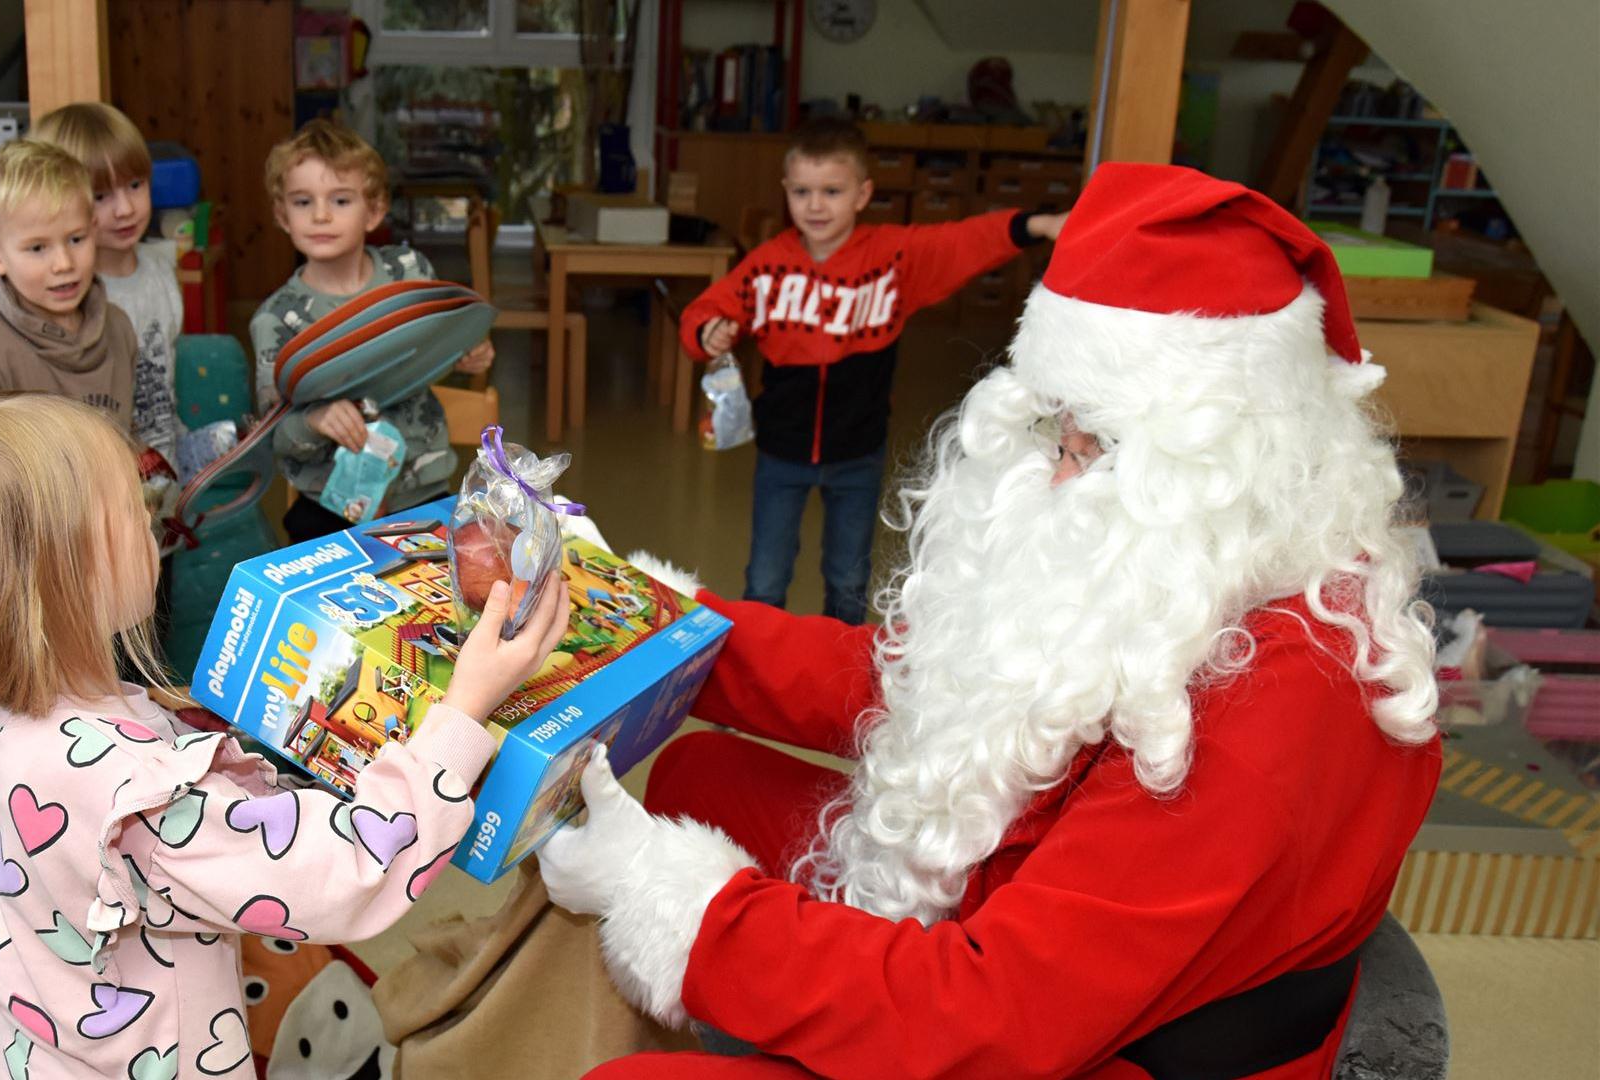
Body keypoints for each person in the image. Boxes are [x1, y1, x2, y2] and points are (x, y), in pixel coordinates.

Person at [540, 163, 1443, 1078]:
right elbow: (910, 677)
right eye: (1061, 437)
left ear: (1238, 457)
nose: (1059, 478)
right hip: (1038, 917)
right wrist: (650, 620)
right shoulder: (1195, 569)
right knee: (703, 772)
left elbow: (992, 1019)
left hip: (1087, 1042)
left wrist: (676, 907)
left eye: (1100, 449)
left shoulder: (1271, 701)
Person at [0, 392, 569, 1078]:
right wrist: (464, 711)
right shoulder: (134, 796)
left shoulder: (20, 719)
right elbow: (348, 871)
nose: (154, 522)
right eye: (130, 511)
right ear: (53, 579)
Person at [679, 117, 1065, 624]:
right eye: (802, 191)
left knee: (847, 579)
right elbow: (703, 312)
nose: (815, 205)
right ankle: (762, 664)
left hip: (856, 452)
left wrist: (1035, 225)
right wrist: (709, 331)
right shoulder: (768, 263)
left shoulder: (891, 258)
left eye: (832, 191)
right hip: (782, 452)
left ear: (862, 194)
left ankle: (836, 678)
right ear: (786, 192)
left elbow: (961, 241)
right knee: (766, 577)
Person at [251, 119, 493, 543]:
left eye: (341, 200)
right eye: (303, 201)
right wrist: (315, 420)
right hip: (328, 509)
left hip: (426, 492)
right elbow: (275, 436)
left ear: (375, 210)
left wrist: (471, 353)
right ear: (281, 215)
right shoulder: (275, 320)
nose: (321, 215)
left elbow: (436, 351)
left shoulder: (410, 274)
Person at [0, 139, 138, 428]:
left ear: (94, 230)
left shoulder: (119, 327)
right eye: (38, 248)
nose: (64, 264)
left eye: (76, 239)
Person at [33, 102, 182, 473]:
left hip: (163, 465)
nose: (125, 209)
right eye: (101, 197)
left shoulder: (162, 268)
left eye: (135, 185)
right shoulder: (68, 295)